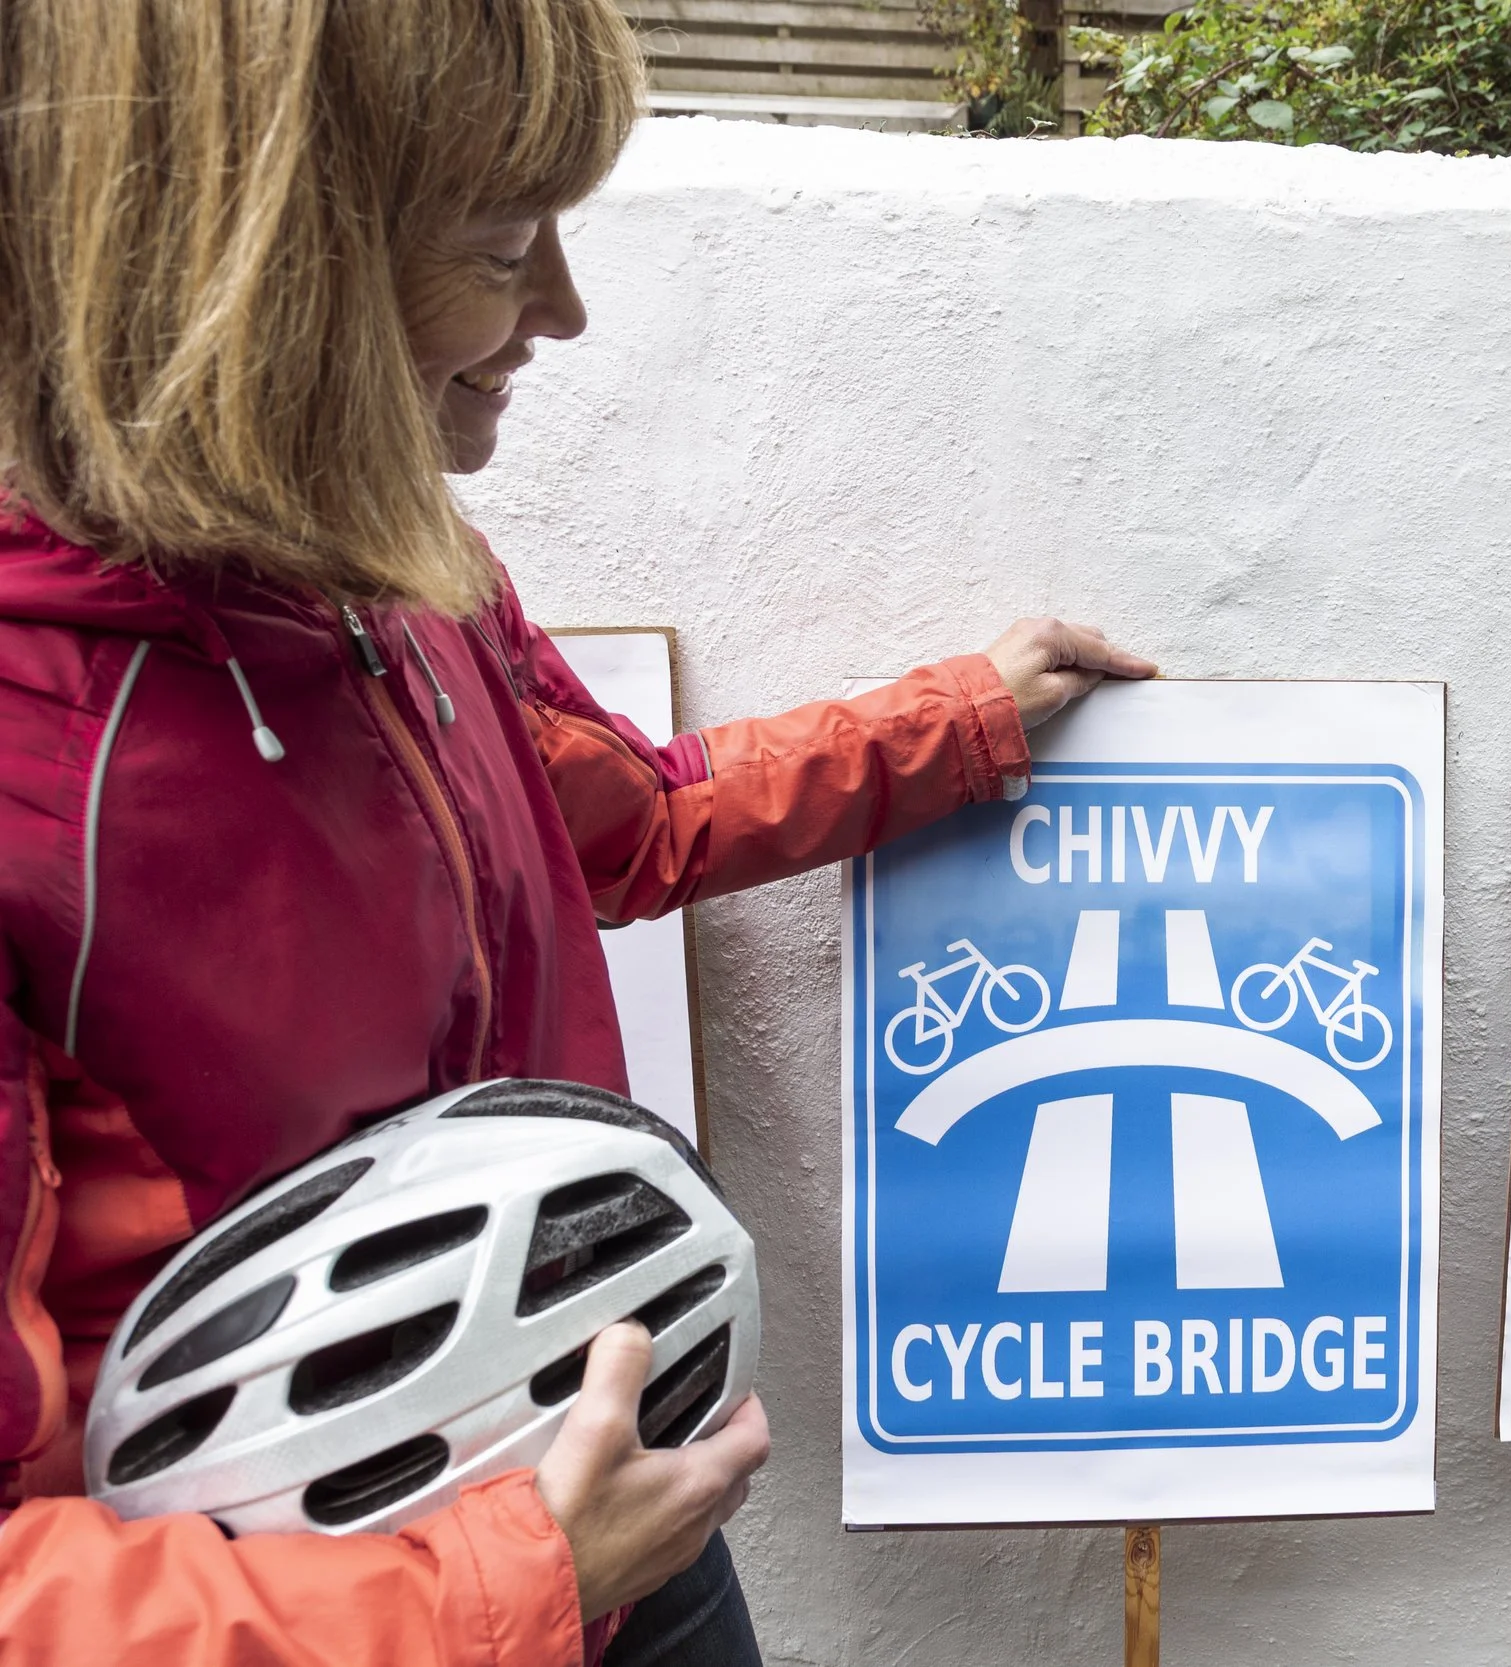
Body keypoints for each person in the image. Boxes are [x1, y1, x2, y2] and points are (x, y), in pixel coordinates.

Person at [0, 2, 1154, 1664]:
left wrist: (957, 719)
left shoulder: (397, 565)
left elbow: (628, 814)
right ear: (249, 273)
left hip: (616, 1495)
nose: (563, 307)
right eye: (495, 242)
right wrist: (504, 1585)